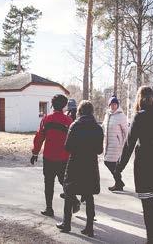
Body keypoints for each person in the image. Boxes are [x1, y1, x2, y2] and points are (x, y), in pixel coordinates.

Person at [116, 86, 153, 244]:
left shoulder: (139, 117)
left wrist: (119, 167)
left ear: (139, 99)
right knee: (152, 203)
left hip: (144, 166)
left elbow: (129, 144)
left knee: (148, 205)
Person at [56, 100, 104, 237]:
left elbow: (67, 147)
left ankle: (67, 223)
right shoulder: (98, 128)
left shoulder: (75, 125)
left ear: (80, 111)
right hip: (90, 165)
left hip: (75, 164)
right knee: (89, 196)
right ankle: (89, 228)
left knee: (69, 192)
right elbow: (99, 150)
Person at [31, 94, 79, 217]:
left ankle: (49, 208)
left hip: (49, 157)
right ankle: (74, 200)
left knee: (48, 183)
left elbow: (39, 137)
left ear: (52, 105)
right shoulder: (68, 121)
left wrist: (35, 153)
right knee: (64, 181)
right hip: (64, 157)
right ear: (64, 106)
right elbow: (73, 140)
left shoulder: (46, 119)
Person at [102, 95, 128, 191]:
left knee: (111, 163)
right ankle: (119, 183)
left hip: (117, 145)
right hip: (108, 143)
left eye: (115, 104)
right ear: (109, 105)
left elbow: (126, 131)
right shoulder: (107, 115)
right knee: (108, 162)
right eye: (111, 104)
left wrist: (125, 145)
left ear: (117, 105)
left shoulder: (121, 116)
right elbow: (104, 127)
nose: (113, 106)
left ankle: (119, 182)